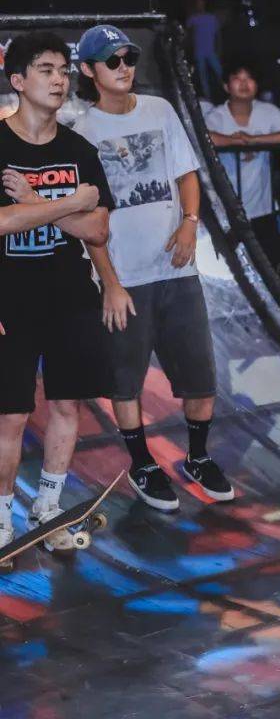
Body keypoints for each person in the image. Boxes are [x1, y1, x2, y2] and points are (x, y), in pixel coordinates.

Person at [72, 25, 233, 511]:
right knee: (126, 380)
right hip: (126, 278)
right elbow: (89, 221)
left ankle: (198, 457)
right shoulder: (83, 132)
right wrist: (110, 282)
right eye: (112, 61)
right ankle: (142, 463)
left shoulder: (160, 110)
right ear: (89, 71)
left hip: (176, 270)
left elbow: (187, 174)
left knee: (201, 374)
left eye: (129, 58)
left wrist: (189, 224)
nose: (124, 68)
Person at [0, 31, 114, 561]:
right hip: (10, 301)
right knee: (10, 415)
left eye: (64, 70)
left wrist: (32, 202)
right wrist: (66, 203)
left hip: (70, 296)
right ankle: (2, 520)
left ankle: (48, 510)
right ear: (18, 80)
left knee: (68, 404)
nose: (59, 79)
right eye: (46, 69)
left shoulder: (79, 150)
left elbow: (98, 231)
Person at [205, 61, 280, 266]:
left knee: (268, 266)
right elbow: (204, 137)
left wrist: (254, 140)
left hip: (263, 209)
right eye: (237, 78)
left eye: (249, 78)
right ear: (226, 86)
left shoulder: (267, 111)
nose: (244, 83)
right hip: (228, 209)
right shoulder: (216, 116)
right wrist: (234, 141)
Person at [185, 0, 222, 101]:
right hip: (199, 51)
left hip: (211, 51)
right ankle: (207, 96)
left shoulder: (212, 18)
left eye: (201, 3)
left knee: (219, 72)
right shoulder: (193, 18)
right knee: (202, 76)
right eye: (198, 3)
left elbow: (218, 35)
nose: (199, 5)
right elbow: (188, 34)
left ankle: (227, 91)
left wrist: (219, 49)